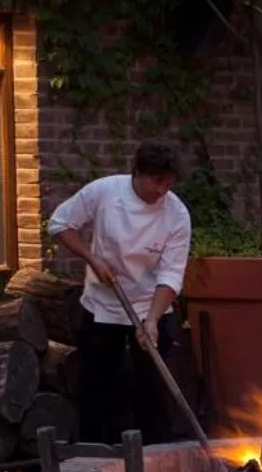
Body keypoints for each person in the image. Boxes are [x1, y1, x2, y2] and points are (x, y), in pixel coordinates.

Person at [47, 142, 192, 444]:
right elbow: (60, 224)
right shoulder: (104, 192)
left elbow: (171, 272)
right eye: (156, 181)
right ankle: (96, 456)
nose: (162, 190)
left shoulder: (177, 214)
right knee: (99, 385)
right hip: (103, 303)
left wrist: (151, 320)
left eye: (169, 183)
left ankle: (156, 459)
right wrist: (93, 259)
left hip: (151, 304)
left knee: (153, 386)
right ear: (136, 173)